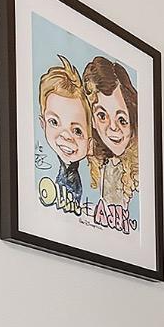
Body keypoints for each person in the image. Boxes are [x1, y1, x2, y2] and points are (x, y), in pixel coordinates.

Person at [82, 56, 139, 217]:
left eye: (121, 119)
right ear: (92, 119)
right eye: (102, 115)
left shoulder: (139, 172)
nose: (113, 127)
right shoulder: (98, 162)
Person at [35, 56, 89, 212]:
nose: (66, 136)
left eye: (77, 131)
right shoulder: (43, 166)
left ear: (90, 143)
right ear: (42, 123)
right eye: (54, 122)